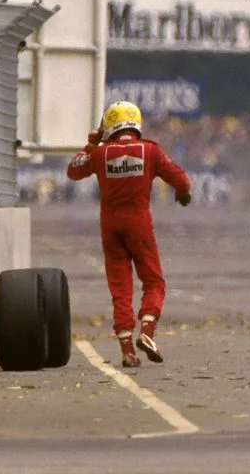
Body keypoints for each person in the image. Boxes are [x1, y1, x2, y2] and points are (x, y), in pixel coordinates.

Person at [66, 101, 192, 368]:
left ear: (109, 126)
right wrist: (183, 194)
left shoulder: (100, 154)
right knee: (154, 281)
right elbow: (181, 180)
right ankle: (146, 332)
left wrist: (92, 143)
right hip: (139, 223)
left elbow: (73, 171)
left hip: (110, 226)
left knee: (120, 287)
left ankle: (126, 349)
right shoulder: (150, 150)